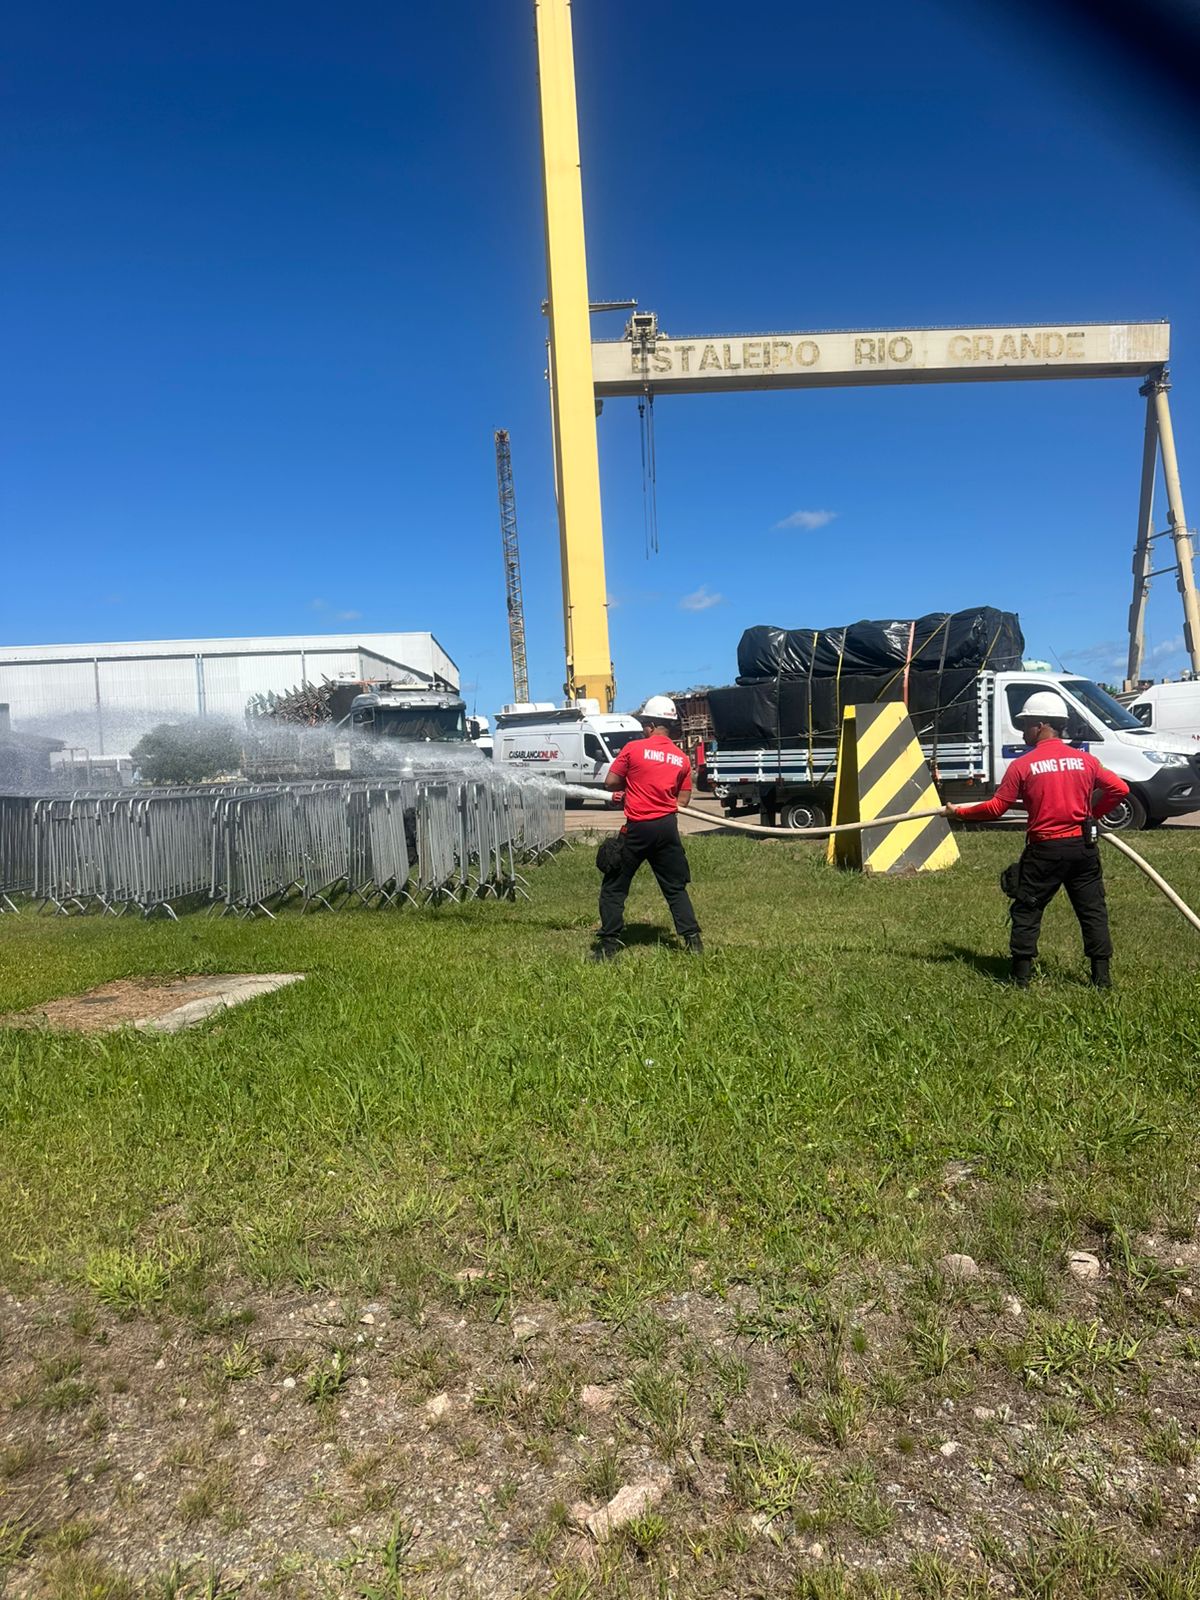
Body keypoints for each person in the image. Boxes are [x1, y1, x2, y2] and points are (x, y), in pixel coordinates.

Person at [944, 689, 1129, 989]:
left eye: (1025, 723)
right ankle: (1102, 979)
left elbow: (995, 808)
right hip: (1083, 849)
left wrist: (960, 813)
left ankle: (1020, 979)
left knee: (1027, 909)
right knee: (1092, 910)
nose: (1022, 730)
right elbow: (1120, 789)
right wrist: (1092, 813)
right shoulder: (1086, 762)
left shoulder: (1023, 765)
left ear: (1041, 725)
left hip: (1045, 851)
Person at [589, 695, 703, 961]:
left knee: (614, 886)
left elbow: (611, 782)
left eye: (644, 724)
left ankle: (608, 944)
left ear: (651, 724)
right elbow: (682, 800)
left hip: (639, 827)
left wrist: (631, 791)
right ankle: (692, 940)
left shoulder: (633, 749)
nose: (642, 729)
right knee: (674, 887)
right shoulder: (681, 758)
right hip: (667, 829)